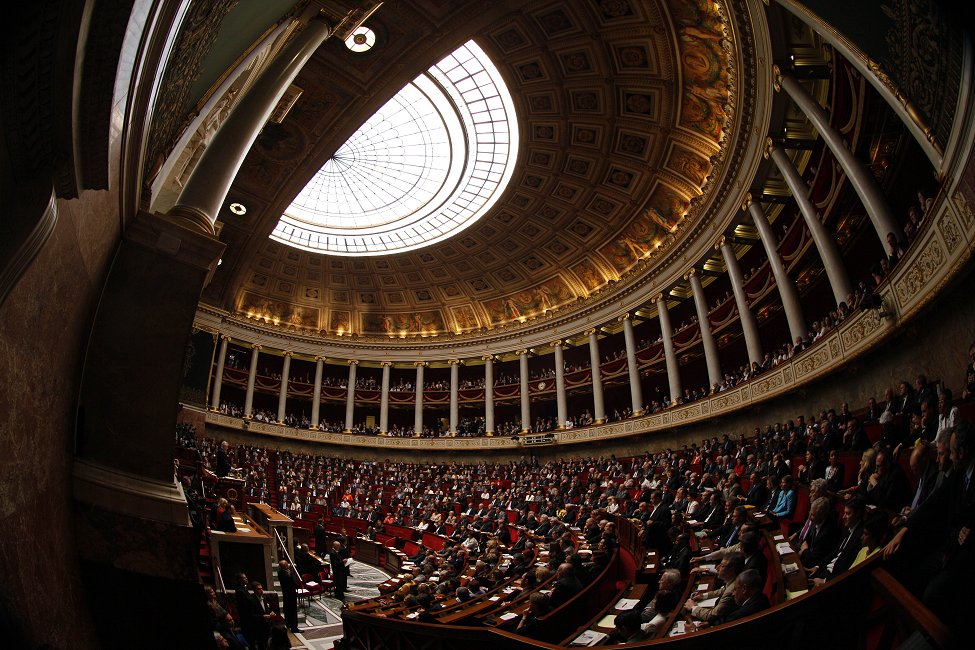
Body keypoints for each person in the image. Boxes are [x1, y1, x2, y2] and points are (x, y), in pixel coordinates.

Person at [277, 559, 300, 633]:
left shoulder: (284, 572)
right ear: (284, 566)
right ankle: (294, 627)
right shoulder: (284, 574)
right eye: (287, 564)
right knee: (292, 611)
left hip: (288, 594)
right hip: (289, 594)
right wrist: (291, 573)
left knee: (288, 610)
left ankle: (289, 624)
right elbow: (292, 581)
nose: (288, 565)